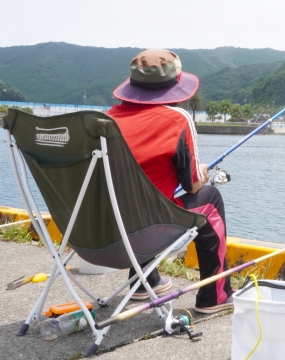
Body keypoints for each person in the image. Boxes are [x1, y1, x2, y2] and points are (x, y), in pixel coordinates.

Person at [106, 49, 233, 313]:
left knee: (134, 196)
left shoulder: (105, 120)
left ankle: (142, 282)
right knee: (210, 198)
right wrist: (202, 172)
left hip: (100, 233)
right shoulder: (177, 120)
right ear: (175, 85)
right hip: (147, 229)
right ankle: (215, 296)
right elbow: (192, 186)